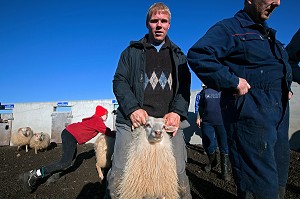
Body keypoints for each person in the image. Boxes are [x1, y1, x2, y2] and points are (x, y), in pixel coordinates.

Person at [187, 0, 292, 198]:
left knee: (278, 183)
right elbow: (198, 54)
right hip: (252, 117)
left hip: (279, 118)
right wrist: (232, 81)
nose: (277, 2)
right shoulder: (230, 29)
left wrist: (285, 85)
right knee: (261, 189)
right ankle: (216, 164)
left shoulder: (269, 36)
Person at [106, 2, 192, 198]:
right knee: (120, 170)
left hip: (167, 122)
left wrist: (178, 113)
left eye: (164, 21)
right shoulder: (131, 52)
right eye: (154, 21)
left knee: (179, 173)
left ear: (169, 24)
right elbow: (119, 81)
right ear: (147, 24)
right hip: (134, 120)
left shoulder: (179, 56)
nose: (159, 25)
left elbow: (184, 88)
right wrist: (133, 108)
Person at [21, 105, 115, 193]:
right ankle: (34, 174)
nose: (106, 116)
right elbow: (106, 131)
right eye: (106, 114)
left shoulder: (94, 119)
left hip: (69, 134)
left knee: (70, 157)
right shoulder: (97, 120)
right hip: (70, 136)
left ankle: (55, 175)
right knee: (65, 162)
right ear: (102, 114)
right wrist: (117, 134)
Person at [197, 85, 230, 181]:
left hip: (223, 123)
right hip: (207, 122)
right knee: (209, 144)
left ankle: (225, 171)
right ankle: (212, 162)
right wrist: (198, 118)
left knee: (224, 145)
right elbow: (201, 106)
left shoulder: (224, 89)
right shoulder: (205, 92)